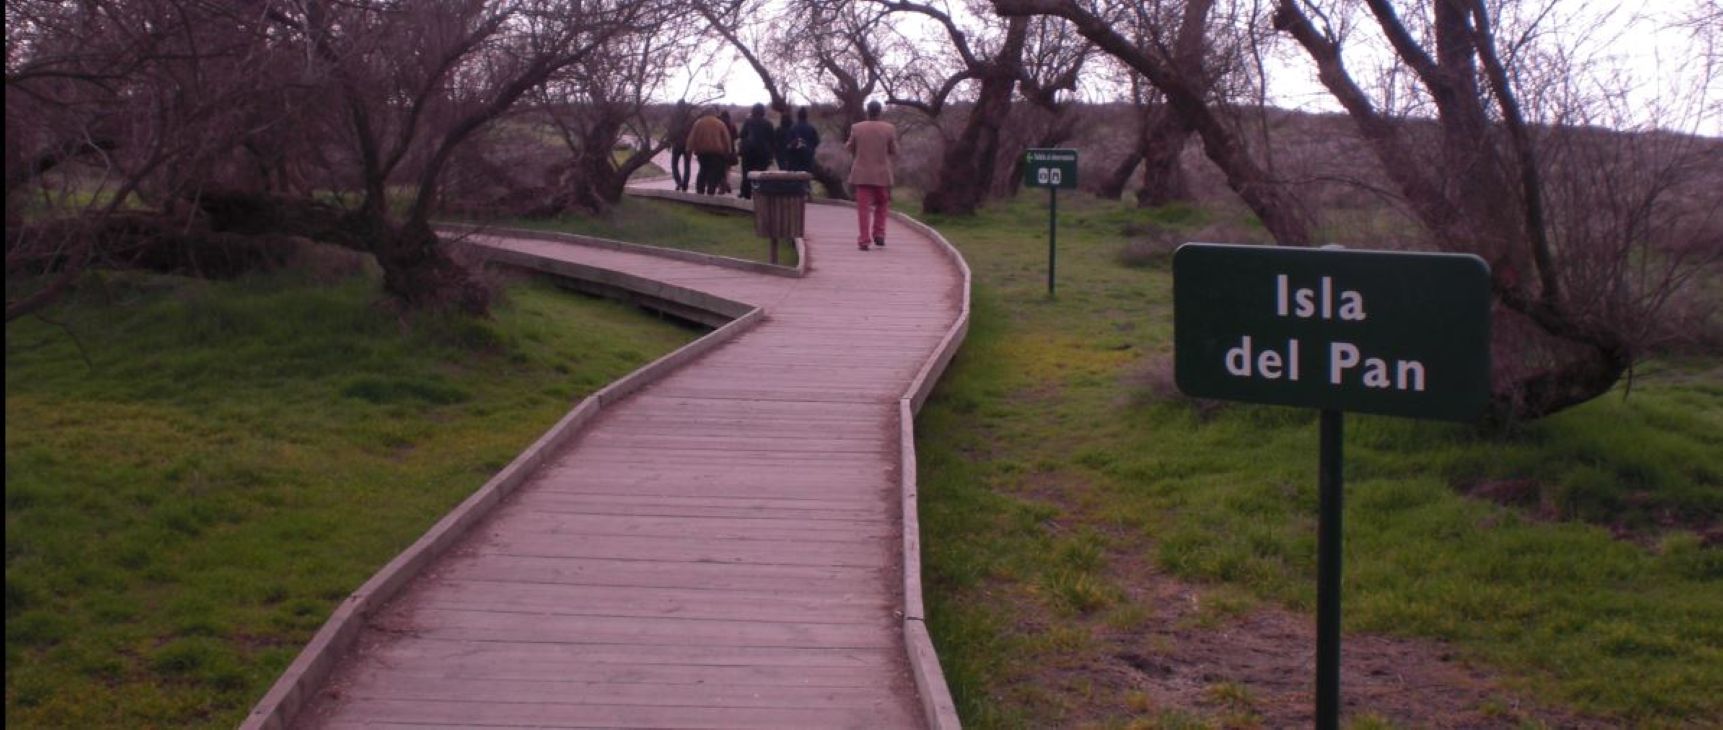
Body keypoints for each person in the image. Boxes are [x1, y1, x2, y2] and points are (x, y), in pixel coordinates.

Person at [845, 100, 897, 251]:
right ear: (880, 112)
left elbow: (849, 147)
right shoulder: (889, 129)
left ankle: (864, 240)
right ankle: (879, 234)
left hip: (862, 174)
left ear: (867, 111)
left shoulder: (857, 128)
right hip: (881, 174)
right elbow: (894, 150)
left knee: (863, 209)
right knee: (882, 203)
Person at [685, 107, 732, 195]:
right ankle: (711, 190)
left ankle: (700, 190)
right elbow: (726, 139)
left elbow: (691, 138)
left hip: (702, 152)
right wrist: (728, 151)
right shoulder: (720, 123)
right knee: (714, 173)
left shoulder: (698, 123)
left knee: (703, 170)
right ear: (714, 113)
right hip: (716, 153)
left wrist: (689, 150)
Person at [737, 103, 777, 199]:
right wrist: (771, 155)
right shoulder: (768, 124)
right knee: (760, 174)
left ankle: (745, 193)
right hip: (763, 153)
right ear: (763, 112)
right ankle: (759, 194)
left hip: (748, 152)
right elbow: (772, 140)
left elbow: (742, 135)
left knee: (746, 173)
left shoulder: (748, 122)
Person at [786, 107, 821, 192]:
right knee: (806, 174)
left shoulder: (793, 128)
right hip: (808, 155)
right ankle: (807, 190)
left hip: (795, 156)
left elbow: (788, 143)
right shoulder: (811, 128)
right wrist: (811, 149)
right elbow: (817, 141)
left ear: (798, 116)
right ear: (806, 116)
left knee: (796, 175)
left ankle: (796, 192)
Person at [665, 102, 693, 192]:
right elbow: (693, 132)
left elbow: (670, 131)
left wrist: (669, 142)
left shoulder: (674, 117)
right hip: (687, 144)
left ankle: (678, 182)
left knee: (674, 164)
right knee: (687, 165)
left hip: (677, 144)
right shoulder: (690, 118)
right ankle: (685, 184)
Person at [718, 110, 739, 194]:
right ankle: (727, 183)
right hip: (730, 148)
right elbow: (736, 136)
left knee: (720, 168)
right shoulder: (732, 125)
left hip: (720, 148)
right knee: (727, 168)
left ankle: (722, 186)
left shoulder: (719, 124)